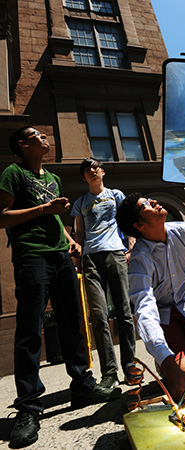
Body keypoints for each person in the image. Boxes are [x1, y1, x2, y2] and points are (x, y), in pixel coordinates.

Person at [0, 127, 121, 449]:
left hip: (60, 256)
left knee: (73, 323)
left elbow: (55, 219)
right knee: (29, 330)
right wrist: (44, 209)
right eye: (35, 135)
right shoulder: (13, 173)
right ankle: (28, 407)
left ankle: (82, 384)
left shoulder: (52, 178)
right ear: (23, 145)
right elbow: (3, 217)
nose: (43, 137)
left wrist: (70, 240)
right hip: (31, 256)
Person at [116, 193, 185, 404]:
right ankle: (174, 358)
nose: (154, 202)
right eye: (146, 205)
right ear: (139, 225)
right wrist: (164, 358)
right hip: (167, 318)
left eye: (149, 199)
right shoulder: (139, 259)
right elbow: (144, 309)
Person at [71, 157, 137, 391]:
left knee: (124, 311)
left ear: (103, 172)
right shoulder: (80, 202)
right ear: (84, 177)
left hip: (115, 253)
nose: (92, 171)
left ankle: (130, 365)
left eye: (96, 167)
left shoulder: (116, 195)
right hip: (91, 258)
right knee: (98, 316)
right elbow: (79, 232)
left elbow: (127, 221)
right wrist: (78, 258)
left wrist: (130, 246)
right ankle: (109, 372)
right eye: (87, 170)